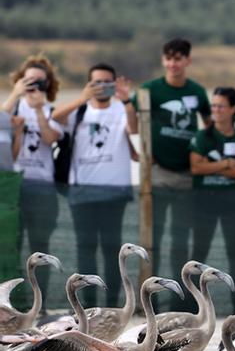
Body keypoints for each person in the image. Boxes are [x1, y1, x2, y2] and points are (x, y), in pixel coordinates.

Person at [128, 39, 211, 303]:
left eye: (179, 58)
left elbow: (210, 126)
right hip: (159, 171)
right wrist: (140, 142)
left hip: (188, 172)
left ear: (187, 61)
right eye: (169, 58)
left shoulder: (196, 91)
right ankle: (151, 294)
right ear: (163, 60)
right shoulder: (150, 89)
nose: (173, 64)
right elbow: (132, 114)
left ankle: (180, 296)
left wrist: (205, 155)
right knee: (154, 236)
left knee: (180, 237)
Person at [51, 63, 137, 307]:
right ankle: (87, 306)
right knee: (85, 249)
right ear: (88, 84)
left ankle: (111, 305)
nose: (101, 87)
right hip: (82, 191)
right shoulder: (79, 111)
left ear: (115, 84)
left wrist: (127, 100)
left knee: (112, 250)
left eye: (106, 82)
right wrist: (82, 98)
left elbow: (135, 129)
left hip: (114, 191)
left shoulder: (122, 108)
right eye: (95, 82)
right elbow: (55, 117)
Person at [4, 55, 64, 302]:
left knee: (40, 250)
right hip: (13, 188)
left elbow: (50, 138)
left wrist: (39, 109)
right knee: (10, 248)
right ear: (19, 80)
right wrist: (15, 95)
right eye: (28, 80)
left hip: (42, 187)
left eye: (39, 81)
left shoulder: (53, 112)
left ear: (48, 84)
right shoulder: (10, 110)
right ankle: (13, 305)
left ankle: (42, 304)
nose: (33, 86)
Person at [189, 87, 235, 297]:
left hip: (232, 201)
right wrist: (226, 164)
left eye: (221, 106)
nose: (215, 110)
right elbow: (196, 168)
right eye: (213, 105)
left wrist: (211, 164)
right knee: (199, 253)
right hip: (204, 201)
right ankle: (192, 301)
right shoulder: (202, 136)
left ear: (233, 109)